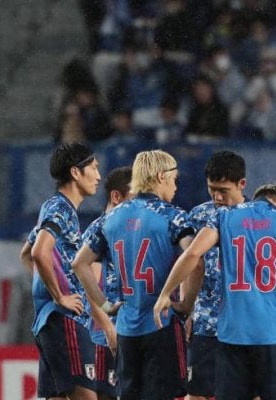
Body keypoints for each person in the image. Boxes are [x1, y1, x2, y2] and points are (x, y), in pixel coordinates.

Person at [154, 185, 276, 400]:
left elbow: (193, 256)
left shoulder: (226, 218)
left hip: (232, 331)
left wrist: (169, 295)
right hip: (270, 330)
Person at [72, 150, 193, 400]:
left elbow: (79, 264)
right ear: (161, 176)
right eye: (174, 178)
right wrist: (186, 304)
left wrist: (105, 305)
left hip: (126, 327)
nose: (175, 185)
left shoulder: (110, 219)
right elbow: (194, 257)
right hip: (161, 323)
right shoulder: (173, 216)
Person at [29, 142, 101, 400]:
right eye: (94, 168)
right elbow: (38, 252)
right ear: (75, 172)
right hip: (65, 319)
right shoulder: (61, 209)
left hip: (49, 321)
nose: (98, 176)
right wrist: (59, 295)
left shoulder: (52, 207)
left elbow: (27, 252)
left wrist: (44, 287)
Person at [183, 151, 249, 400]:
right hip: (206, 323)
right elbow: (188, 265)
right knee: (196, 394)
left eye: (223, 190)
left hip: (246, 324)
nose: (217, 197)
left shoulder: (256, 218)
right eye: (212, 189)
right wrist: (188, 310)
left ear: (241, 184)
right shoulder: (198, 216)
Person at [71, 166, 134, 400]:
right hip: (106, 335)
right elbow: (90, 286)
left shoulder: (132, 229)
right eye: (134, 198)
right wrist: (108, 328)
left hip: (131, 330)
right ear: (116, 197)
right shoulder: (102, 230)